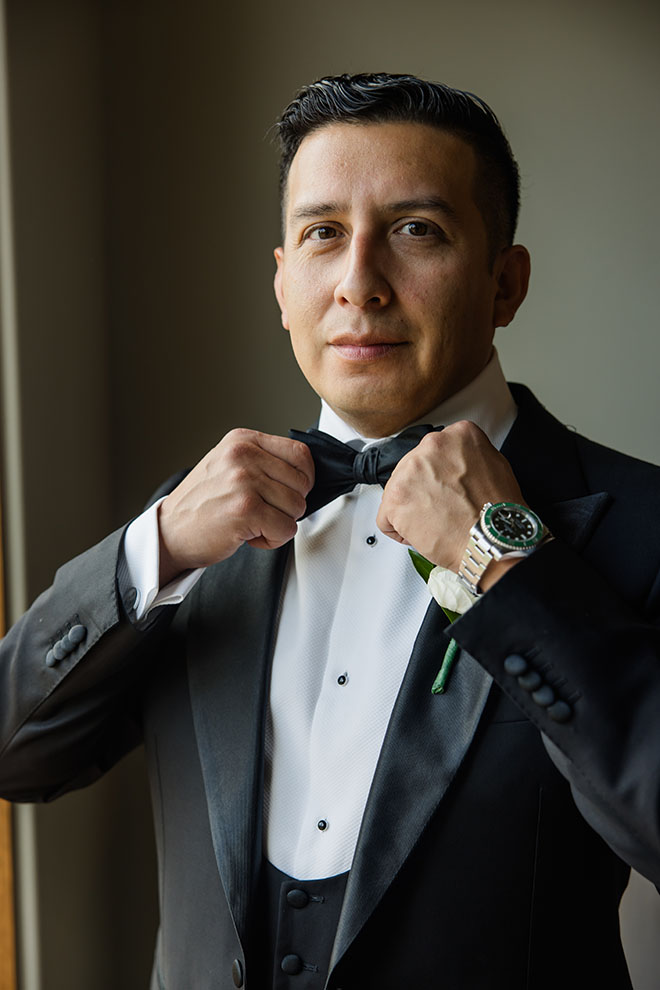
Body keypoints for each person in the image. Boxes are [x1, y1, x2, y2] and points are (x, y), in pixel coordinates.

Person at [1, 72, 659, 990]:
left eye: (415, 231)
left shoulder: (639, 523)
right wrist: (150, 547)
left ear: (504, 282)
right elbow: (14, 753)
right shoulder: (195, 530)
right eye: (323, 236)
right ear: (282, 283)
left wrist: (506, 565)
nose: (359, 284)